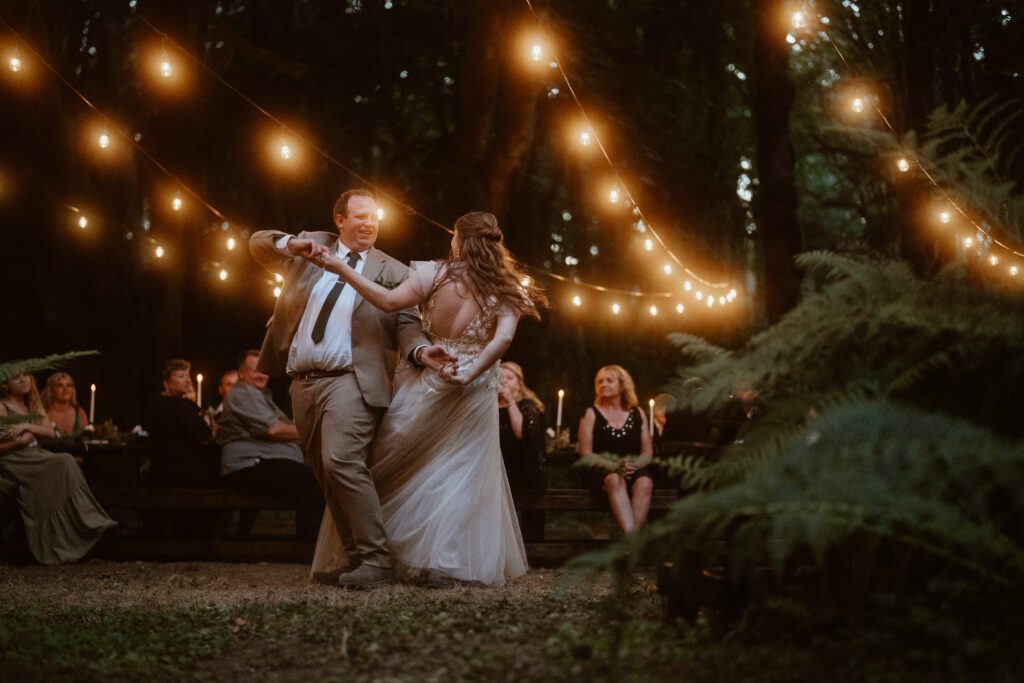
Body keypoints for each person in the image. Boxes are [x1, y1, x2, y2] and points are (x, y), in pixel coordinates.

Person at [306, 210, 546, 587]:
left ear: (460, 239)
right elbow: (501, 340)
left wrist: (342, 269)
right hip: (472, 383)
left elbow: (386, 301)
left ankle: (376, 553)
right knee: (461, 471)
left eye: (453, 234)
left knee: (391, 461)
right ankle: (441, 562)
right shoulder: (508, 285)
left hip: (426, 374)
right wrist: (471, 371)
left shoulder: (434, 273)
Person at [249, 188, 452, 589]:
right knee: (323, 471)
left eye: (374, 216)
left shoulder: (392, 269)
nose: (369, 223)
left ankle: (377, 559)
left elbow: (407, 324)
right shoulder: (314, 245)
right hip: (302, 382)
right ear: (339, 220)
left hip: (352, 381)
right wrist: (293, 243)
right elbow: (258, 243)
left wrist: (422, 351)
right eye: (359, 216)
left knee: (341, 460)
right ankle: (358, 558)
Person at [0, 371, 116, 564]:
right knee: (64, 461)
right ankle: (88, 519)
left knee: (66, 462)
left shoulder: (32, 403)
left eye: (26, 376)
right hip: (15, 458)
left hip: (35, 455)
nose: (23, 380)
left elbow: (49, 431)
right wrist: (19, 444)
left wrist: (26, 427)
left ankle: (88, 520)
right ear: (6, 383)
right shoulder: (3, 407)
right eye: (17, 377)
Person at [216, 349, 325, 541]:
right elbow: (272, 429)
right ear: (242, 374)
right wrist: (311, 431)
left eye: (264, 370)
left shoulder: (258, 395)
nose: (261, 375)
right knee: (314, 481)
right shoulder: (243, 393)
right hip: (249, 465)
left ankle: (306, 541)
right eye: (255, 370)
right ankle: (308, 545)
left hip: (261, 462)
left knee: (313, 476)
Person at [577, 365, 654, 534]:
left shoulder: (638, 413)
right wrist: (614, 466)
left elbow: (647, 452)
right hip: (603, 469)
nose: (603, 384)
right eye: (600, 381)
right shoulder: (591, 413)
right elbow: (585, 453)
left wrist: (633, 465)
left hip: (633, 467)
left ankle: (629, 545)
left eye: (609, 380)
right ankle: (633, 543)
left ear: (622, 385)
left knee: (645, 482)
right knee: (614, 479)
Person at [148, 359, 219, 487]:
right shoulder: (178, 406)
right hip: (182, 470)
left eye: (188, 376)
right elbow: (204, 434)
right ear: (166, 383)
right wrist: (193, 405)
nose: (188, 381)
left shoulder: (158, 404)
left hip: (162, 469)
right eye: (181, 376)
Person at [498, 361, 547, 542]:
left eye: (510, 378)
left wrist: (510, 401)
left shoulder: (529, 406)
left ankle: (530, 544)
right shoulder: (489, 405)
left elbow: (522, 434)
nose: (505, 382)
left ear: (519, 382)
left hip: (523, 470)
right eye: (500, 378)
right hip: (495, 466)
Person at [41, 372, 91, 439]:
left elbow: (86, 439)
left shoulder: (80, 413)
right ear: (51, 390)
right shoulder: (43, 412)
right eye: (60, 385)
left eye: (68, 385)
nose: (65, 389)